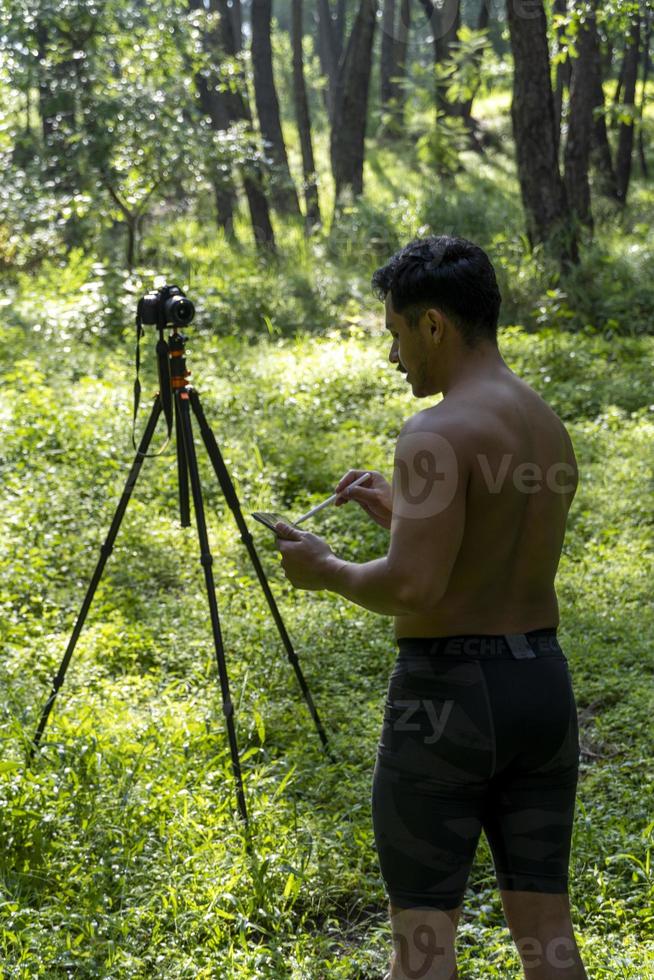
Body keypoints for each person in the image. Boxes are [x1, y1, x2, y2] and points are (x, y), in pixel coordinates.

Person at [273, 235, 587, 980]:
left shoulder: (435, 431)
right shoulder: (544, 424)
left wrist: (325, 569)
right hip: (541, 689)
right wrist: (403, 518)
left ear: (434, 325)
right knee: (547, 933)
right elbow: (488, 550)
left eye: (396, 334)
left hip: (446, 704)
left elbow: (414, 589)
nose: (395, 356)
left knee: (421, 946)